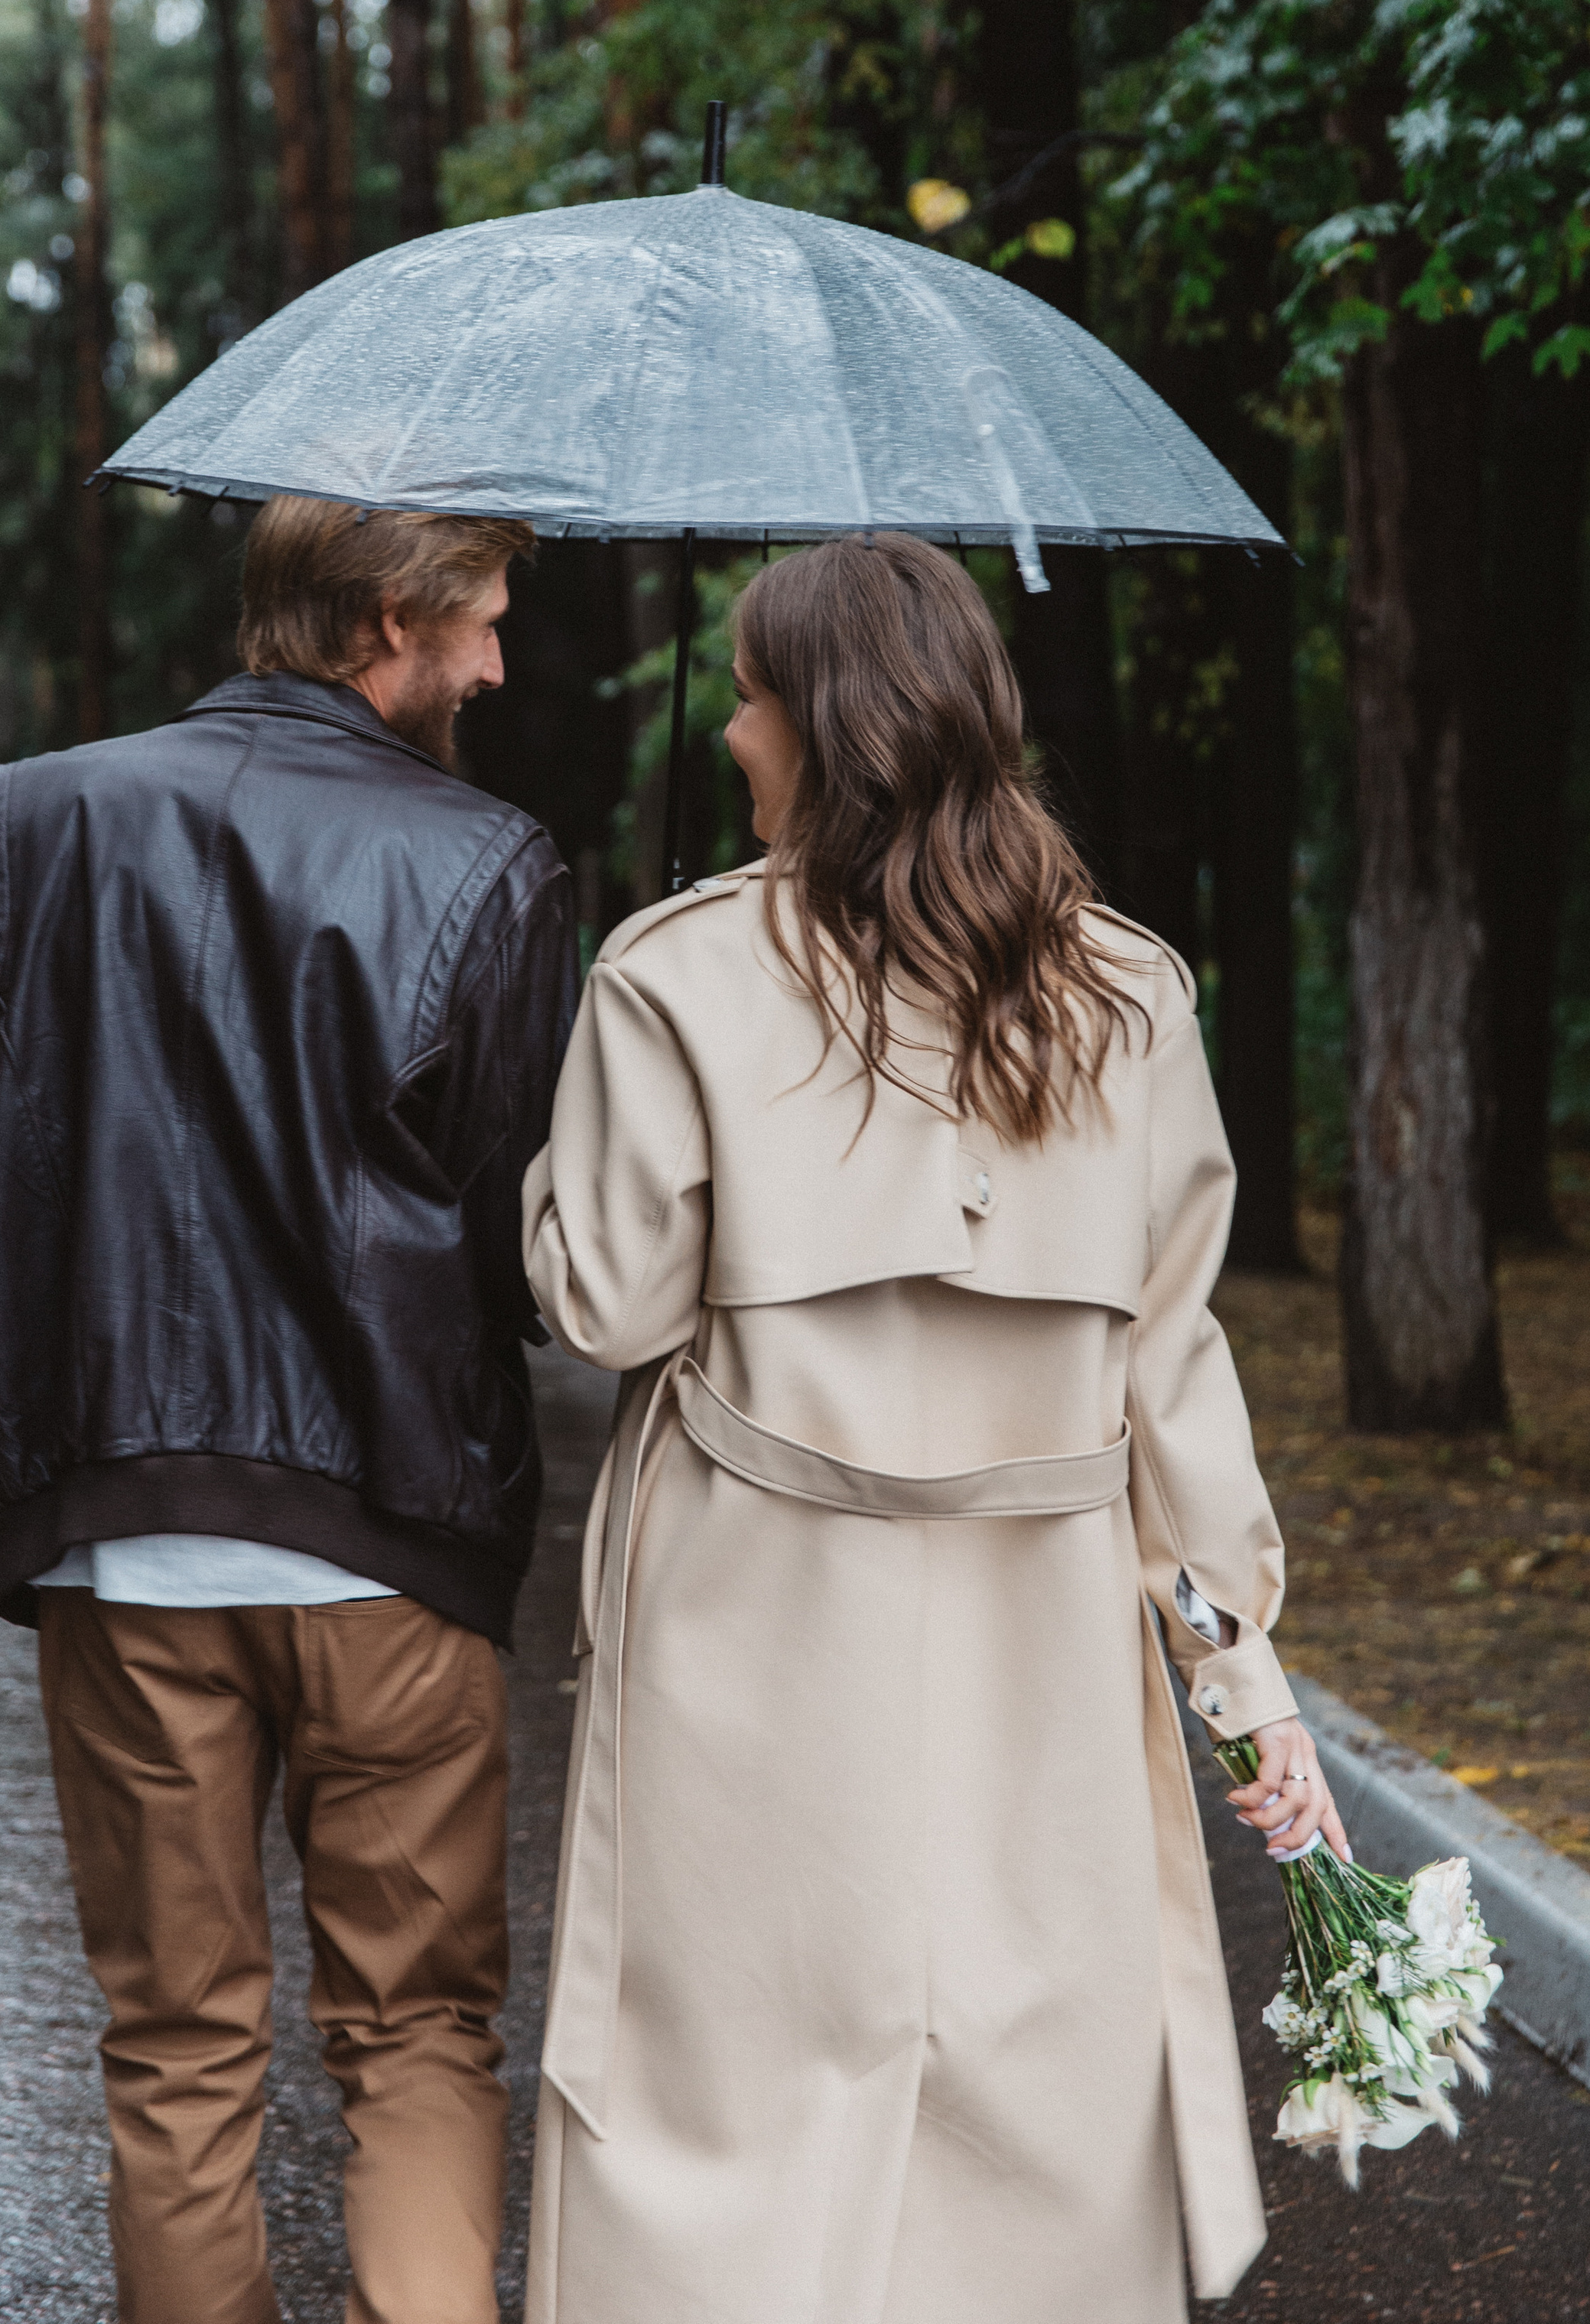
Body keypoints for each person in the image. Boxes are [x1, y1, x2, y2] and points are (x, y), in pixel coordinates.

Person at [522, 533, 1341, 2324]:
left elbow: (603, 1307)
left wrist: (567, 1141)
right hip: (1033, 1630)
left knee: (720, 2103)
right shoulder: (1128, 994)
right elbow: (1169, 1373)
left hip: (749, 1633)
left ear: (815, 727)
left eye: (745, 698)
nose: (730, 732)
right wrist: (1239, 1675)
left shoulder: (671, 974)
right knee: (1028, 2096)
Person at [0, 496, 577, 2324]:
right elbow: (526, 1250)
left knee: (174, 2046)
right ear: (380, 622)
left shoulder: (27, 822)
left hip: (117, 1545)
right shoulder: (488, 860)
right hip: (393, 1549)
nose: (496, 662)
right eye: (477, 622)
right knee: (418, 2032)